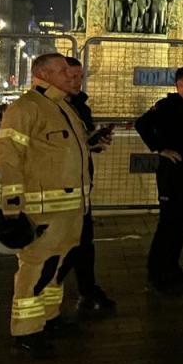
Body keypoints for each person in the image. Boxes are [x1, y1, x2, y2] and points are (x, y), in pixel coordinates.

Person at [0, 53, 90, 358]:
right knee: (36, 269)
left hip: (71, 209)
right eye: (63, 71)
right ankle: (26, 332)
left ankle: (49, 317)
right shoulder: (26, 108)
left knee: (58, 267)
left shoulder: (62, 106)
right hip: (43, 208)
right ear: (44, 74)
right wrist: (12, 203)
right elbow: (7, 154)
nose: (70, 75)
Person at [135, 66, 183, 293]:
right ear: (179, 83)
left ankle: (172, 269)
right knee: (169, 224)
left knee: (181, 223)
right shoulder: (168, 105)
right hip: (172, 175)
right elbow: (142, 124)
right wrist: (160, 148)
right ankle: (158, 274)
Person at [56, 57, 116, 314]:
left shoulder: (81, 106)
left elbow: (83, 143)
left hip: (81, 185)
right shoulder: (47, 107)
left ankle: (87, 290)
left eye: (80, 76)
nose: (77, 81)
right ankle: (51, 297)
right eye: (71, 76)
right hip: (56, 188)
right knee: (61, 246)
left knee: (84, 241)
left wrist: (96, 142)